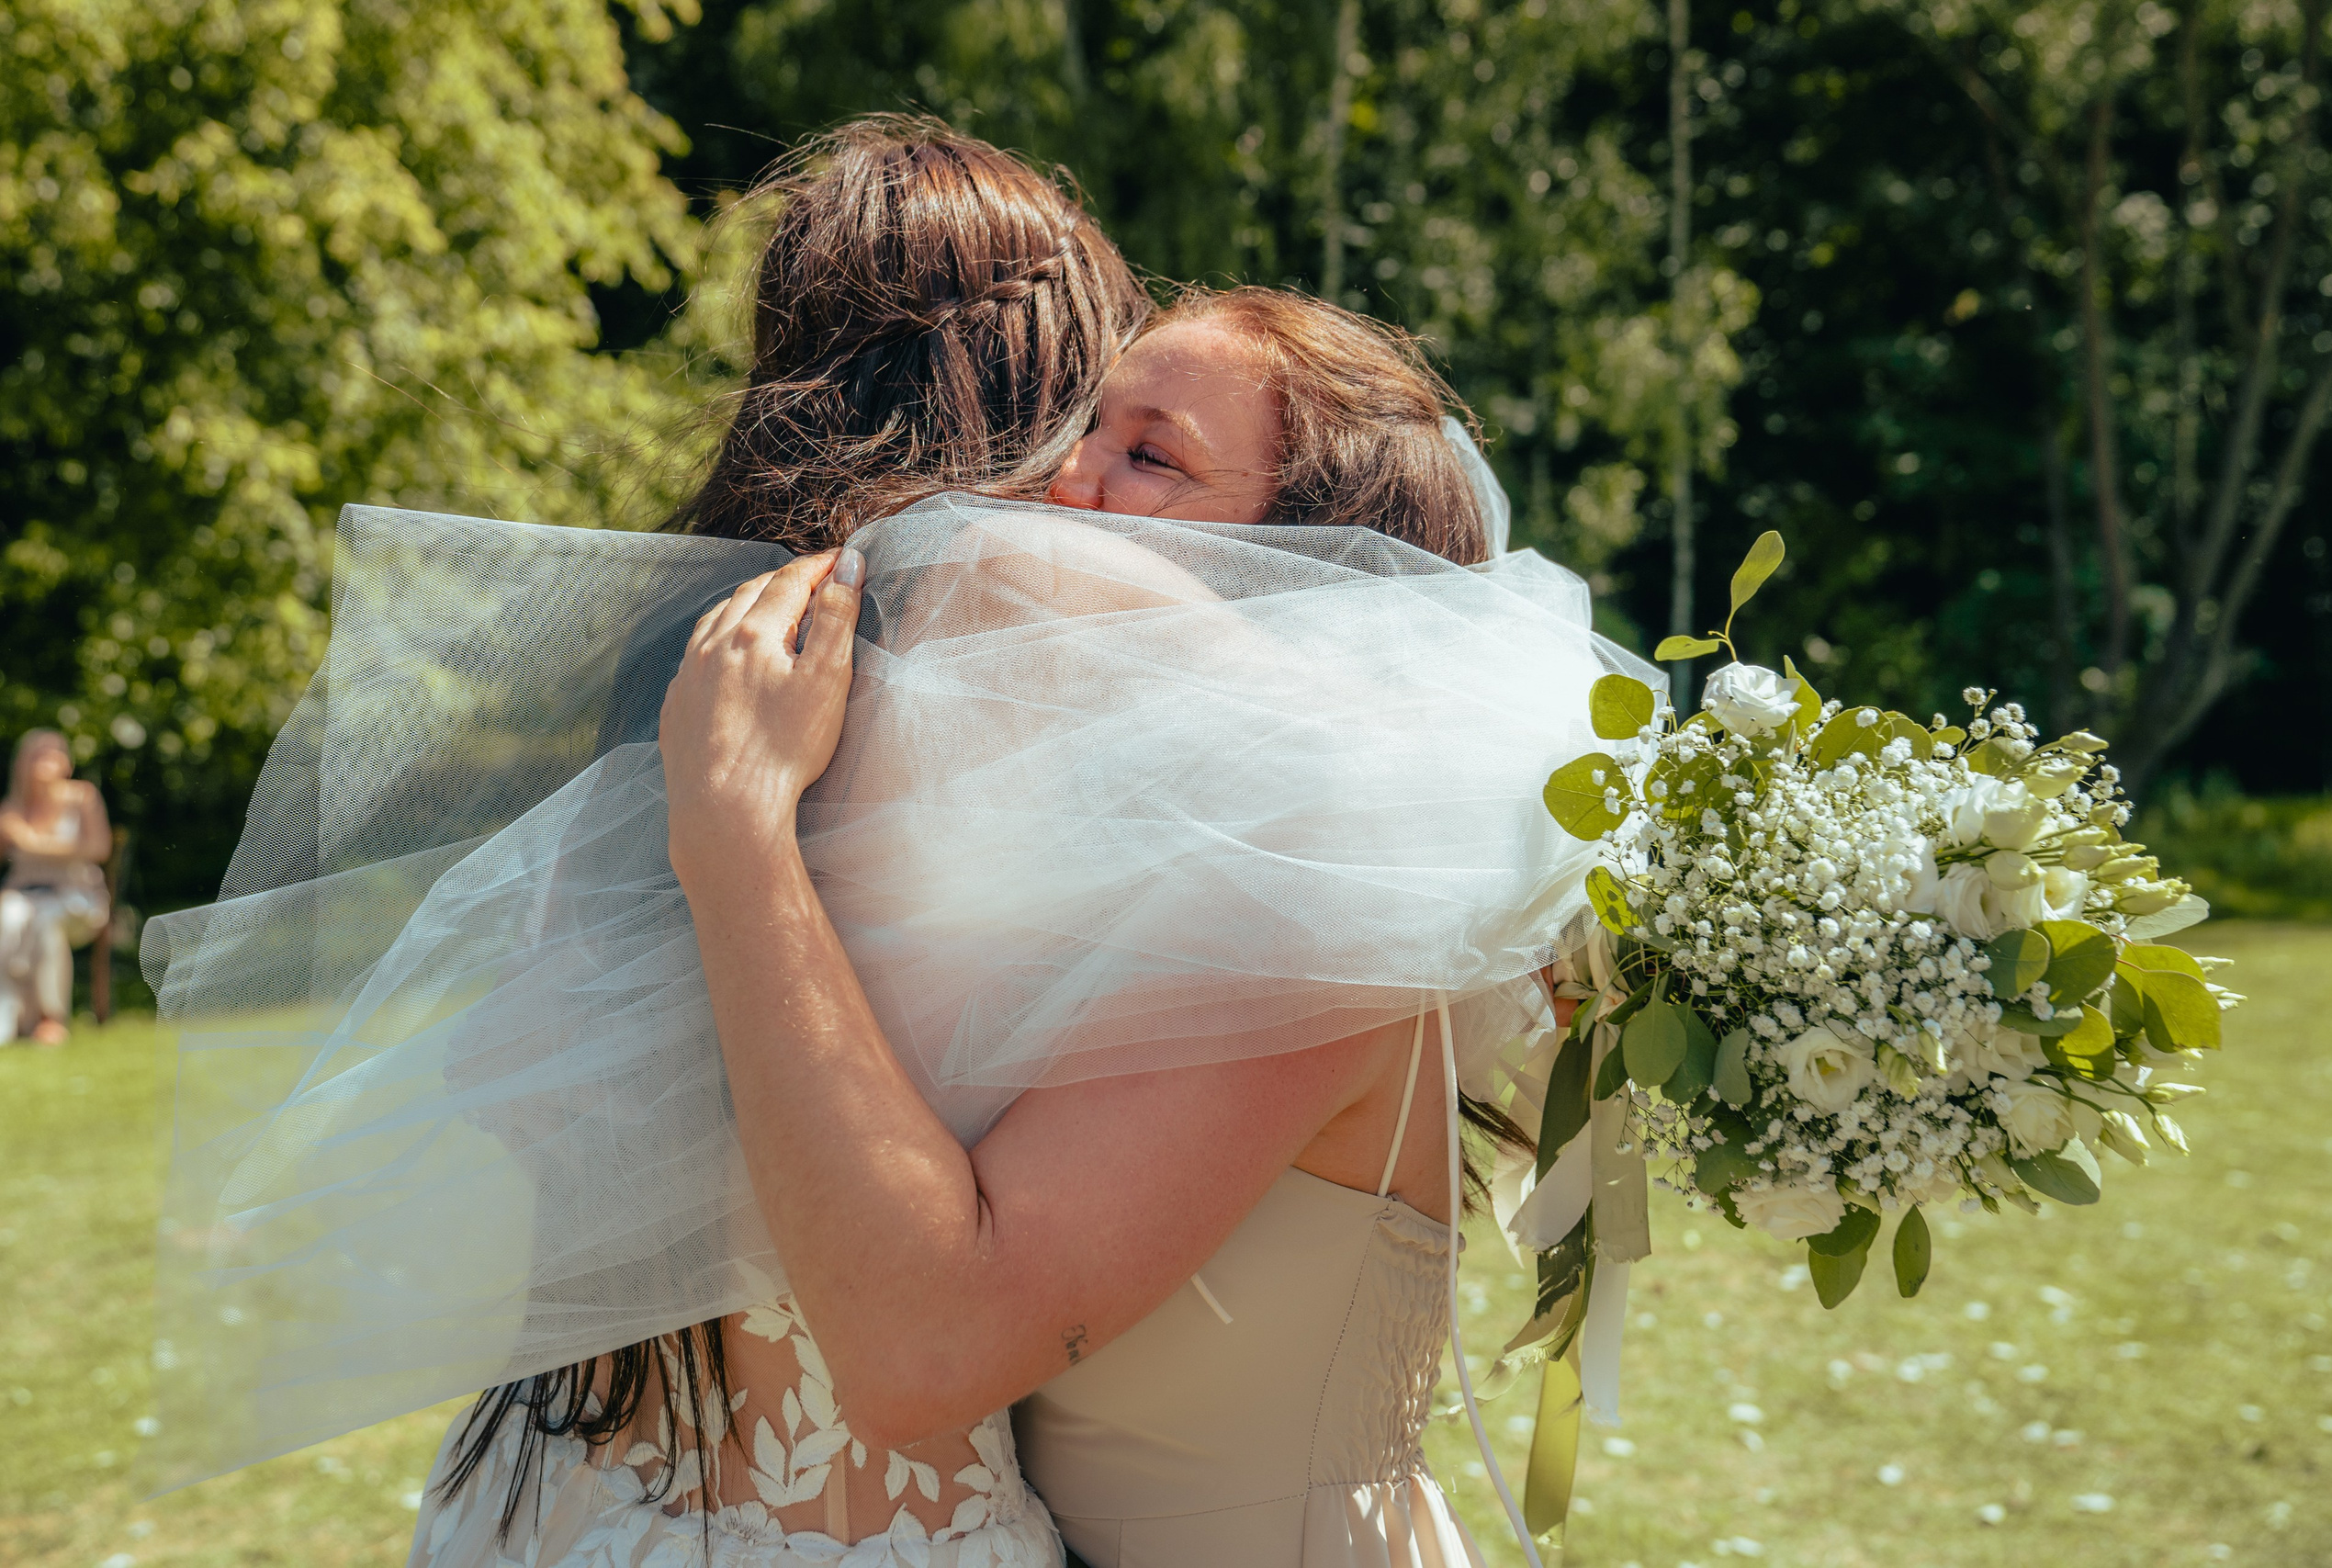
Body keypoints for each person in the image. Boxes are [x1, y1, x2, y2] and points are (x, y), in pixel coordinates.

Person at [654, 287, 1588, 1567]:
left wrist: (740, 830)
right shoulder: (1122, 876)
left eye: (1151, 456)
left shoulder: (1306, 917)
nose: (1056, 485)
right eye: (1080, 429)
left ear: (1327, 579)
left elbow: (926, 1344)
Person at [401, 114, 1147, 1568]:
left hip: (564, 1491)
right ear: (1056, 376)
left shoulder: (688, 665)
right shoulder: (1035, 677)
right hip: (869, 1525)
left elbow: (517, 1079)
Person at [0, 728, 112, 1046]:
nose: (46, 762)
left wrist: (34, 844)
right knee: (6, 918)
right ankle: (8, 1017)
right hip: (23, 894)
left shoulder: (82, 797)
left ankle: (51, 1019)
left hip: (77, 900)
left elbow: (99, 849)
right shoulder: (12, 807)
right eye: (37, 754)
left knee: (45, 919)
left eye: (53, 753)